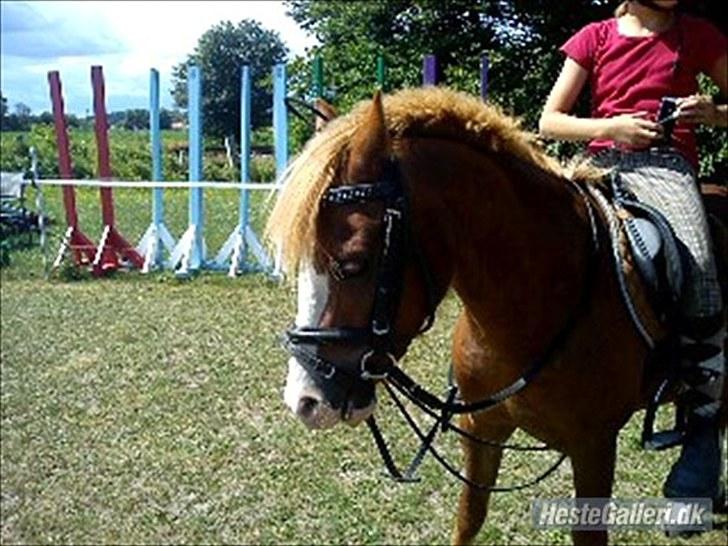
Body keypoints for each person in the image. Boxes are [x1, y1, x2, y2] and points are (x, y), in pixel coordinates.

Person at [539, 0, 727, 509]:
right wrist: (610, 127)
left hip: (665, 167)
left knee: (703, 270)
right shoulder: (594, 37)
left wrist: (715, 113)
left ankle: (704, 426)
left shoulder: (700, 35)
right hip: (595, 163)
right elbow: (550, 120)